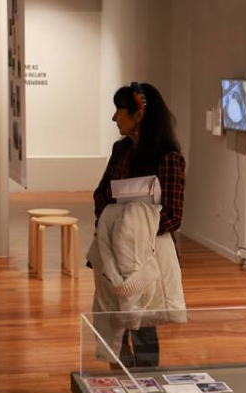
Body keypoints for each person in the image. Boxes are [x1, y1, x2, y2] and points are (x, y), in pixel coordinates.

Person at [91, 82, 186, 368]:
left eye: (118, 110)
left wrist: (130, 234)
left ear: (139, 114)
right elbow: (101, 194)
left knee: (143, 324)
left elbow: (172, 215)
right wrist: (112, 228)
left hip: (146, 256)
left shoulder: (167, 157)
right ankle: (120, 390)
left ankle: (145, 390)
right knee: (112, 321)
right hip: (112, 255)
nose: (114, 118)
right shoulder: (120, 150)